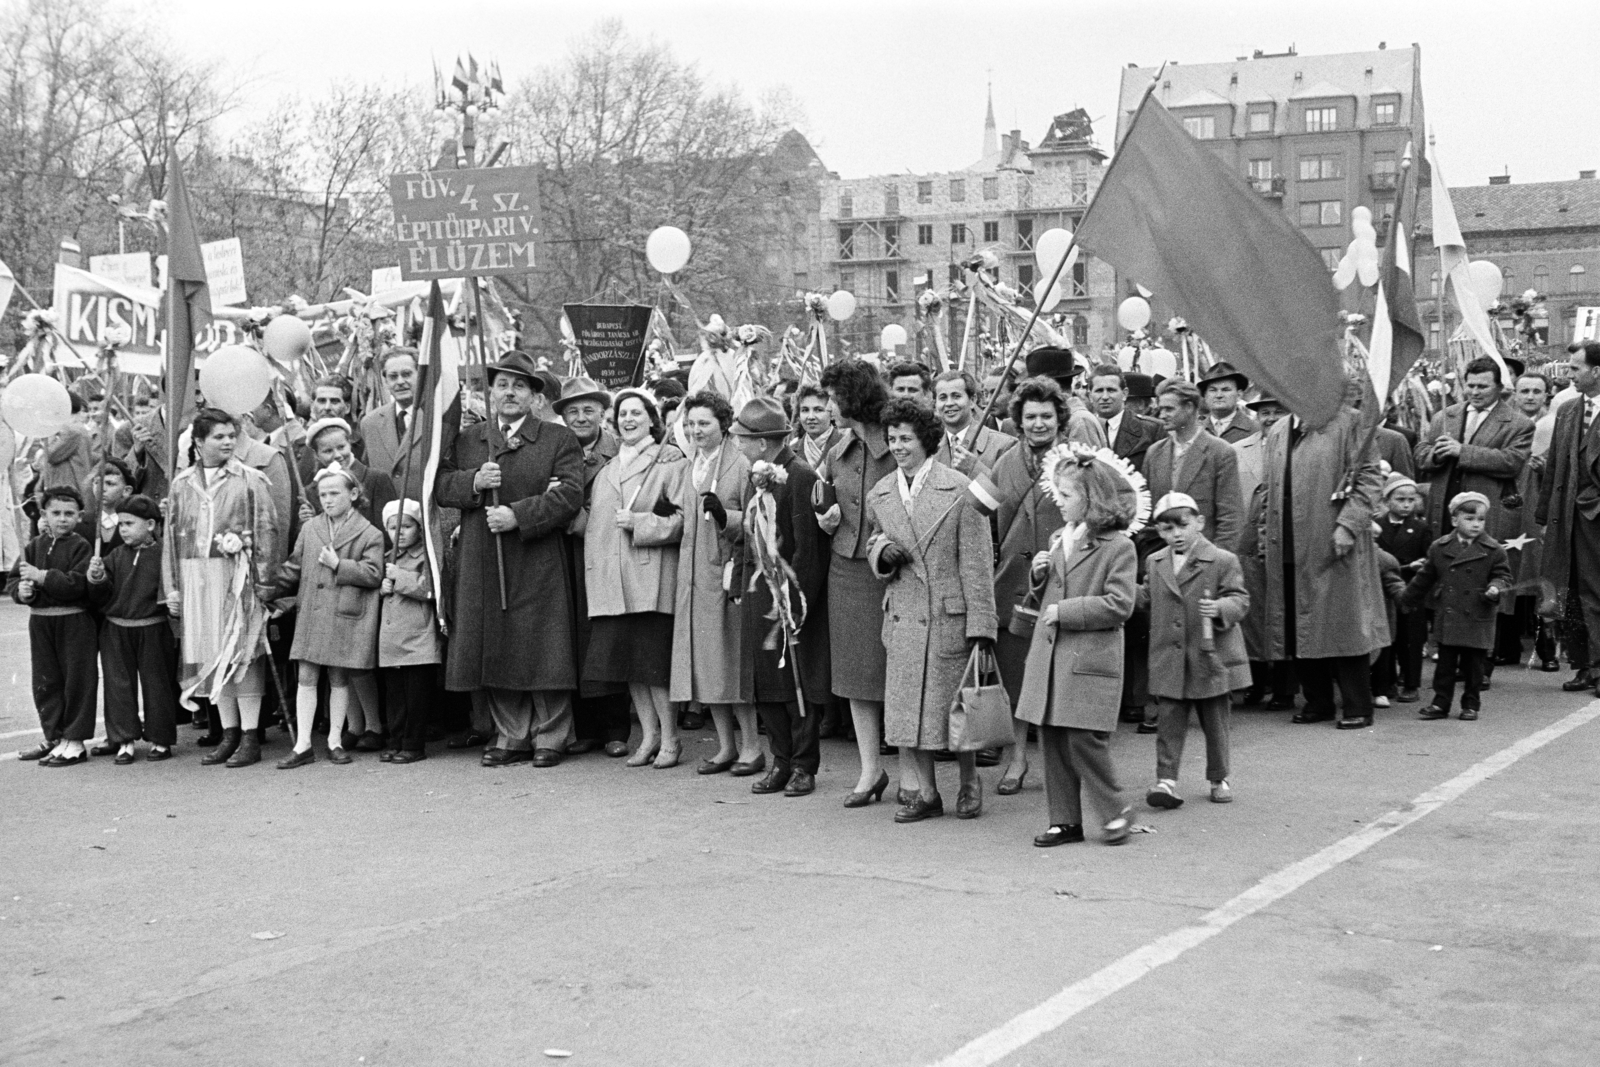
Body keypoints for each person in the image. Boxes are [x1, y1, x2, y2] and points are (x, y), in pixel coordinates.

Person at [439, 352, 584, 765]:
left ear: (534, 395)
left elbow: (570, 494)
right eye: (502, 384)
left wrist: (518, 515)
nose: (509, 392)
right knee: (496, 644)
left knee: (543, 645)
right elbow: (441, 486)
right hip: (483, 557)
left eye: (519, 385)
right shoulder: (470, 440)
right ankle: (511, 734)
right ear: (490, 391)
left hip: (537, 557)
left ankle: (552, 735)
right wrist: (474, 481)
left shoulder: (557, 439)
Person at [866, 399, 997, 822]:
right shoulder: (880, 493)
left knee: (955, 708)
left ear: (926, 440)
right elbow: (874, 540)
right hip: (903, 615)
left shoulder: (958, 489)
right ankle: (926, 792)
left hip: (948, 616)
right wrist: (882, 553)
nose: (898, 446)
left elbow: (977, 564)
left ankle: (969, 781)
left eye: (906, 438)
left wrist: (982, 627)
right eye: (892, 438)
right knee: (910, 710)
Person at [1016, 443, 1144, 846]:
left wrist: (1066, 611)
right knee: (1053, 739)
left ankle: (1116, 810)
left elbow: (1120, 604)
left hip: (1088, 658)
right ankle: (1065, 820)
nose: (1059, 501)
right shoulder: (1060, 538)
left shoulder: (1119, 546)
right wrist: (1039, 576)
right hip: (1053, 657)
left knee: (1083, 740)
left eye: (1067, 494)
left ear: (1090, 498)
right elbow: (1045, 596)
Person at [1257, 400, 1388, 730]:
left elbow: (1369, 478)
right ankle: (1318, 702)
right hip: (1287, 542)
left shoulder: (1349, 422)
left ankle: (1358, 705)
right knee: (1298, 623)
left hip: (1330, 538)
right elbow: (1268, 489)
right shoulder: (1279, 429)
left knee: (1344, 621)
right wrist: (1263, 535)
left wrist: (1349, 525)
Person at [163, 410, 279, 767]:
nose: (228, 442)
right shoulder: (182, 484)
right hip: (197, 579)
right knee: (214, 658)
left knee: (243, 656)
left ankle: (250, 735)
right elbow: (171, 539)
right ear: (199, 442)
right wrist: (172, 588)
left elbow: (267, 531)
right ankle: (228, 733)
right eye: (219, 436)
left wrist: (264, 584)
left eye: (231, 435)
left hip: (237, 580)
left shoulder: (250, 480)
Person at [730, 396, 830, 797]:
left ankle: (804, 764)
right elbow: (749, 535)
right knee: (767, 684)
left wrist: (794, 602)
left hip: (790, 598)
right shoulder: (757, 474)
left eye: (743, 438)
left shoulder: (801, 476)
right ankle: (781, 760)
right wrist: (740, 584)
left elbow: (808, 549)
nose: (738, 443)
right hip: (760, 593)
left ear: (762, 442)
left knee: (796, 685)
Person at [816, 361, 905, 806]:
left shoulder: (898, 443)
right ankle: (871, 770)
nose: (829, 407)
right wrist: (826, 518)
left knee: (897, 672)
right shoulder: (837, 448)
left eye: (834, 398)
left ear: (853, 397)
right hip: (846, 569)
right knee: (855, 674)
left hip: (893, 569)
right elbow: (825, 497)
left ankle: (912, 770)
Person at [585, 389, 687, 768]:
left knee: (652, 666)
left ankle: (671, 738)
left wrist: (641, 523)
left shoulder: (669, 461)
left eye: (636, 413)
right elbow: (596, 526)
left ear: (651, 420)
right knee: (630, 667)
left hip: (650, 578)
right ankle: (649, 735)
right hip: (613, 583)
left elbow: (682, 520)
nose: (628, 419)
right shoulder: (607, 470)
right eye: (622, 414)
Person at [985, 377, 1073, 793]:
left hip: (1064, 583)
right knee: (1016, 678)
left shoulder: (1078, 463)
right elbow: (983, 522)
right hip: (1012, 587)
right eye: (1031, 416)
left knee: (1060, 677)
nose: (1039, 424)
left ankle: (1063, 765)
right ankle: (1017, 760)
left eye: (1046, 416)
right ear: (1018, 420)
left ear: (1059, 419)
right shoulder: (1003, 463)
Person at [1139, 492, 1250, 810]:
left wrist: (1220, 607)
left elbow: (1240, 599)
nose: (1176, 534)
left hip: (1208, 655)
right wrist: (1121, 591)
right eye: (1167, 529)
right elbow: (1147, 595)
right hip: (1169, 656)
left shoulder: (1222, 560)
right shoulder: (1155, 561)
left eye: (1182, 525)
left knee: (1215, 722)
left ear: (1199, 523)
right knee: (1169, 721)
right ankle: (1166, 780)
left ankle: (1219, 777)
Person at [668, 391, 760, 774]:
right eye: (691, 423)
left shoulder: (741, 466)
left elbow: (757, 522)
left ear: (724, 425)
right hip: (692, 581)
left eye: (704, 423)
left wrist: (727, 517)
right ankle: (725, 746)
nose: (696, 430)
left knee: (731, 666)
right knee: (707, 666)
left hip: (725, 577)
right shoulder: (690, 464)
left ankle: (752, 747)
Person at [273, 464, 384, 768]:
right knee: (306, 676)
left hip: (343, 615)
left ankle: (335, 740)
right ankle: (303, 744)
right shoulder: (310, 528)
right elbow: (293, 567)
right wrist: (267, 587)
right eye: (323, 495)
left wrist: (339, 565)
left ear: (354, 494)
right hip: (312, 612)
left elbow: (374, 574)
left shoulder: (370, 533)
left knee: (338, 677)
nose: (328, 500)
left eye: (334, 493)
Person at [554, 375, 631, 757]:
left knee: (608, 636)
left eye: (589, 409)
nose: (581, 417)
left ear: (602, 412)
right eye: (573, 411)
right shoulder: (554, 449)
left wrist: (578, 517)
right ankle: (585, 728)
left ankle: (616, 728)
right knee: (573, 636)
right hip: (564, 555)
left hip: (607, 553)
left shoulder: (620, 451)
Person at [1399, 492, 1512, 722]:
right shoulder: (1439, 548)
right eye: (1469, 519)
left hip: (1478, 615)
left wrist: (1496, 587)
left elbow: (1503, 576)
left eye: (1481, 519)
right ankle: (1440, 703)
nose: (1476, 524)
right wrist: (1405, 600)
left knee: (1474, 668)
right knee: (1445, 666)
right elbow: (1424, 578)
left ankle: (1470, 704)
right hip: (1449, 616)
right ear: (1454, 520)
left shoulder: (1494, 550)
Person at [86, 494, 177, 764]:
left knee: (157, 685)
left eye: (129, 523)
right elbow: (101, 593)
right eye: (121, 524)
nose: (123, 529)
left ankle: (160, 739)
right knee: (118, 686)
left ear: (150, 525)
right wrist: (97, 577)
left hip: (152, 628)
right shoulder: (116, 555)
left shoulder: (165, 556)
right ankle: (123, 739)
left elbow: (173, 589)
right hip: (116, 629)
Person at [8, 486, 96, 766]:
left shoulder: (81, 546)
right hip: (41, 621)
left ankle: (75, 740)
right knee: (46, 681)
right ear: (44, 514)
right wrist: (22, 592)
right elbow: (14, 579)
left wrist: (42, 576)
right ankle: (54, 735)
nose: (62, 519)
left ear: (79, 516)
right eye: (55, 513)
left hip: (73, 621)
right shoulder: (34, 545)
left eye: (69, 514)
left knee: (77, 680)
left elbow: (77, 584)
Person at [1535, 341, 1600, 694]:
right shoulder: (1567, 410)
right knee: (1569, 590)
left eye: (1575, 368)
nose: (1568, 373)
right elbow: (1556, 467)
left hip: (1595, 517)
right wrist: (1545, 514)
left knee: (1596, 591)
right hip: (1567, 517)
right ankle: (1583, 665)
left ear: (1596, 372)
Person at [1141, 379, 1243, 552]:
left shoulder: (1220, 452)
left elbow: (1231, 518)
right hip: (1162, 558)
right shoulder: (1154, 452)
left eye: (1169, 409)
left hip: (1205, 556)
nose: (1162, 415)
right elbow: (1147, 513)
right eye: (1160, 409)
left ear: (1189, 407)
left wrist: (1216, 561)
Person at [377, 499, 443, 764]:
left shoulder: (426, 556)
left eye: (406, 526)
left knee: (416, 697)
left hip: (418, 638)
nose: (400, 533)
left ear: (419, 528)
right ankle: (395, 741)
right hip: (391, 640)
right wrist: (381, 589)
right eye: (394, 528)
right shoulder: (386, 559)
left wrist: (399, 577)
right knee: (395, 697)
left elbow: (430, 589)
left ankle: (414, 744)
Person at [1372, 474, 1433, 705]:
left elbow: (1429, 559)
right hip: (1384, 590)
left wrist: (1419, 568)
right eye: (1400, 499)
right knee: (1387, 637)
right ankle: (1386, 681)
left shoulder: (1421, 528)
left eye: (1411, 500)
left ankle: (1410, 683)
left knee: (1410, 639)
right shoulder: (1378, 526)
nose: (1406, 504)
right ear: (1387, 500)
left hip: (1411, 589)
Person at [298, 418, 395, 530]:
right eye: (328, 451)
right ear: (317, 455)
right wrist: (306, 523)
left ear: (350, 444)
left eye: (341, 447)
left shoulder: (377, 480)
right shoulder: (312, 491)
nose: (337, 455)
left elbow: (390, 529)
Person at [363, 348, 427, 502]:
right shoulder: (370, 423)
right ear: (385, 380)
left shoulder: (438, 417)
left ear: (421, 375)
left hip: (429, 511)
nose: (400, 382)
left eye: (406, 374)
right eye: (393, 376)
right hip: (389, 513)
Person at [933, 369, 1014, 475]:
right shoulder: (929, 447)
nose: (949, 403)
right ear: (935, 404)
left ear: (972, 400)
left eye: (956, 396)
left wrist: (974, 468)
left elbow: (1008, 486)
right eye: (943, 398)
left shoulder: (1004, 445)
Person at [1089, 365, 1162, 473]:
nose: (1105, 397)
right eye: (1099, 391)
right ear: (1090, 396)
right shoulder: (1084, 427)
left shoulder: (1152, 429)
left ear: (1124, 394)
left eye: (1111, 390)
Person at [1197, 363, 1259, 443]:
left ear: (1239, 395)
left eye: (1226, 390)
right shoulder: (1194, 431)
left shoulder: (1256, 431)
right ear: (1205, 396)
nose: (1219, 395)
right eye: (1213, 390)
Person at [791, 384, 843, 471]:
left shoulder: (846, 445)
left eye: (818, 410)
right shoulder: (791, 450)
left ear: (831, 413)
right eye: (805, 410)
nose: (811, 417)